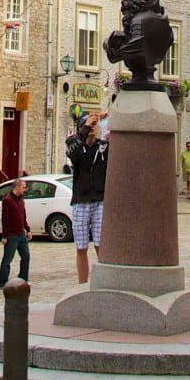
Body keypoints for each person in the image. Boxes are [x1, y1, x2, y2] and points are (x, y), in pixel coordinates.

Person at [65, 111, 108, 282]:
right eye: (90, 126)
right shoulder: (75, 144)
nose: (92, 129)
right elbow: (72, 152)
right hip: (81, 201)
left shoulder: (103, 147)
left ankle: (104, 280)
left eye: (94, 126)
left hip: (99, 199)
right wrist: (85, 129)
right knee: (81, 246)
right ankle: (82, 283)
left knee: (100, 244)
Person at [0, 178, 31, 287]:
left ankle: (23, 278)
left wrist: (28, 229)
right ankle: (2, 281)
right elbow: (5, 219)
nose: (24, 189)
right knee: (7, 259)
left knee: (26, 256)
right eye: (23, 187)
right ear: (17, 187)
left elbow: (23, 216)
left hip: (21, 233)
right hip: (11, 234)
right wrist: (4, 236)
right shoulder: (7, 200)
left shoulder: (21, 200)